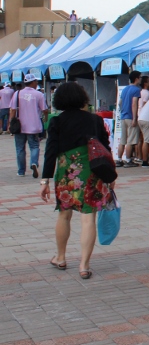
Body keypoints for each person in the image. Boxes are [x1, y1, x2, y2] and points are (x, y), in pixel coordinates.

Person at [39, 82, 115, 280]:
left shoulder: (56, 121)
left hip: (67, 174)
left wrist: (45, 181)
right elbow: (106, 149)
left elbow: (50, 153)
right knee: (88, 218)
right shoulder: (95, 120)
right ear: (83, 98)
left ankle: (61, 257)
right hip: (92, 173)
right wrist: (111, 176)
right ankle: (84, 265)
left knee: (64, 215)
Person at [9, 74, 48, 177]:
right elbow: (44, 109)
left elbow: (12, 109)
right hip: (33, 126)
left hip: (19, 127)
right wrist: (46, 118)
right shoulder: (39, 94)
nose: (37, 84)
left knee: (20, 148)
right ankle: (34, 163)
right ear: (33, 82)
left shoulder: (17, 93)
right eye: (36, 82)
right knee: (34, 146)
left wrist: (10, 123)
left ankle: (21, 171)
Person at [116, 70, 142, 168]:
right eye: (140, 78)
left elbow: (120, 103)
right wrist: (135, 118)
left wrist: (123, 111)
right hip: (131, 117)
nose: (140, 80)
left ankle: (118, 159)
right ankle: (128, 160)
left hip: (123, 117)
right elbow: (134, 103)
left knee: (122, 140)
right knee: (130, 140)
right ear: (136, 79)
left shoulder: (125, 89)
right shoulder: (136, 90)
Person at [135, 76, 149, 163]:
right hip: (144, 116)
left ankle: (139, 156)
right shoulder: (147, 93)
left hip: (138, 116)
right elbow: (146, 105)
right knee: (146, 140)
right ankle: (145, 158)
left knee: (140, 139)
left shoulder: (139, 92)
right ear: (145, 83)